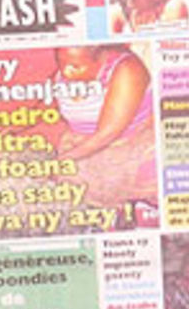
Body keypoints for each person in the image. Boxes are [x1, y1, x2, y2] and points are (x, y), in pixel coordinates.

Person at [53, 44, 157, 215]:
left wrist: (61, 162)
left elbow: (108, 133)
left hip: (127, 144)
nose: (66, 72)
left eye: (76, 66)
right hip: (83, 144)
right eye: (60, 62)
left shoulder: (127, 70)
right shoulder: (69, 67)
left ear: (101, 58)